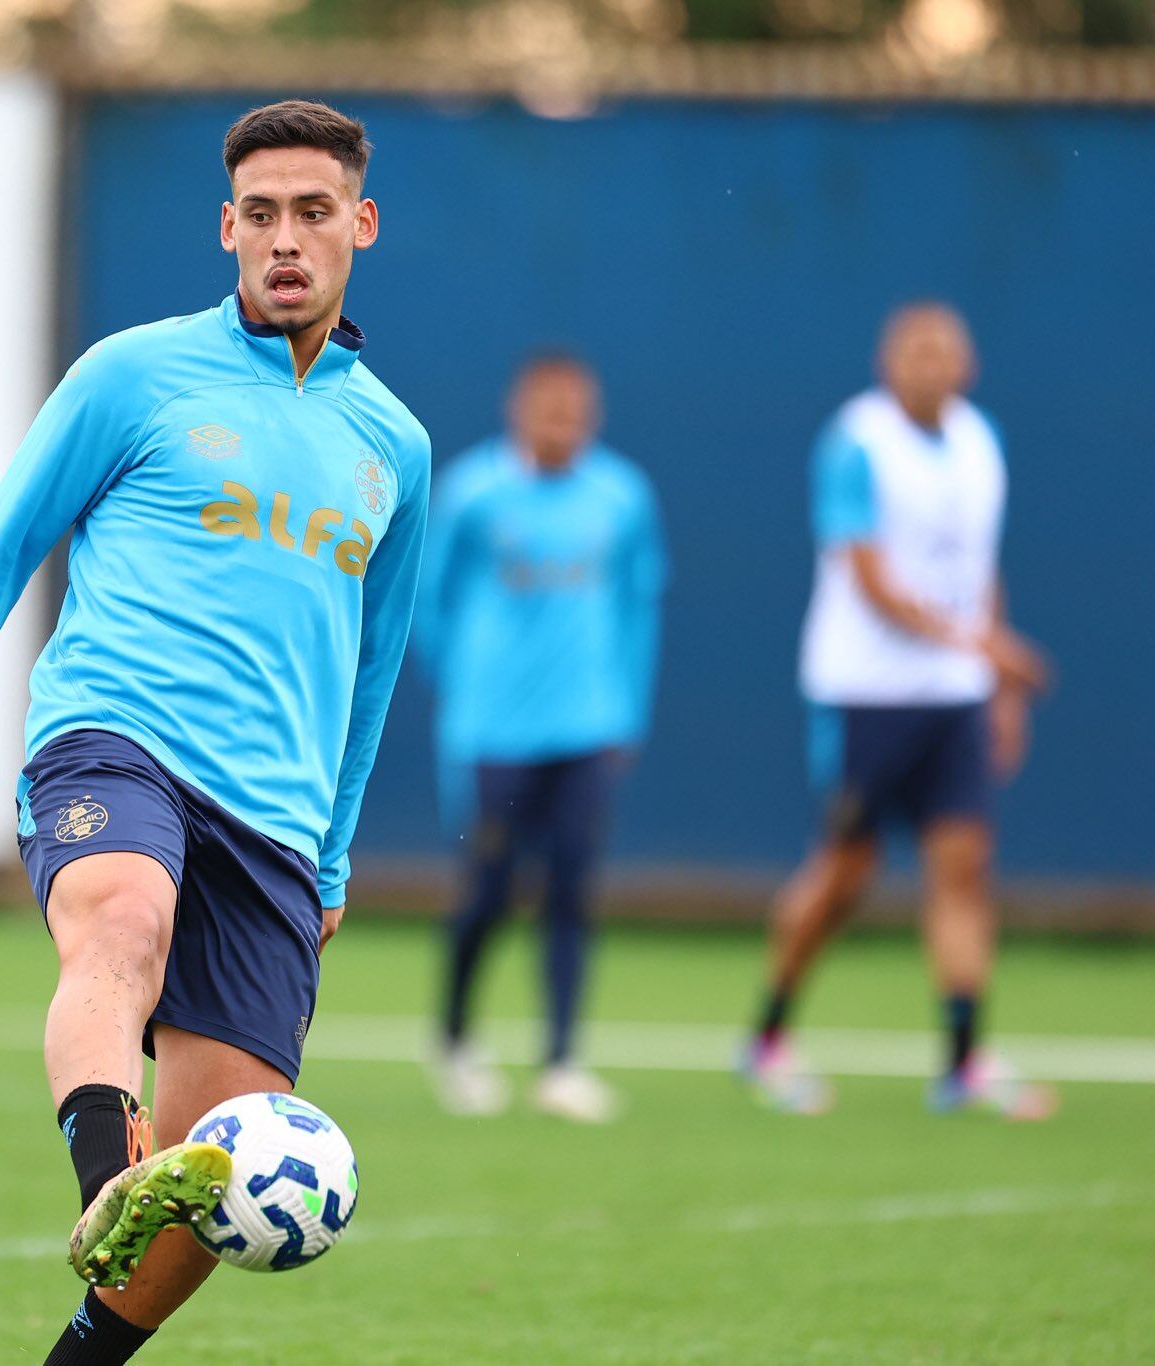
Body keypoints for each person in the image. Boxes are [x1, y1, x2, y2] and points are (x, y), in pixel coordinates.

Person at [0, 100, 430, 1364]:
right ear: (227, 230)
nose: (286, 239)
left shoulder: (394, 443)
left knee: (224, 1164)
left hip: (273, 822)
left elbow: (372, 669)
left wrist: (330, 857)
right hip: (114, 740)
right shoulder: (132, 374)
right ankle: (101, 1179)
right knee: (120, 917)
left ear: (360, 227)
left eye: (313, 213)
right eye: (262, 215)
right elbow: (3, 549)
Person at [741, 302, 1055, 1120]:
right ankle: (768, 1039)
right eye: (916, 351)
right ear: (889, 362)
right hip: (864, 692)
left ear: (969, 365)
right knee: (847, 872)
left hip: (954, 699)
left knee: (964, 868)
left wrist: (998, 686)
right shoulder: (859, 441)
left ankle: (963, 1060)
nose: (932, 364)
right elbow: (872, 582)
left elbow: (980, 573)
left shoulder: (982, 442)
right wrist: (985, 649)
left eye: (946, 351)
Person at [414, 355, 666, 1124]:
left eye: (574, 411)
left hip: (587, 728)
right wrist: (459, 685)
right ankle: (454, 1038)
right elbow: (426, 597)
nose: (561, 425)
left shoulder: (622, 496)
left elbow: (639, 605)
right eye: (547, 410)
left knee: (571, 887)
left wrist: (626, 709)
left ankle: (561, 1059)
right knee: (490, 889)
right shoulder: (472, 491)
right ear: (517, 409)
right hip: (494, 730)